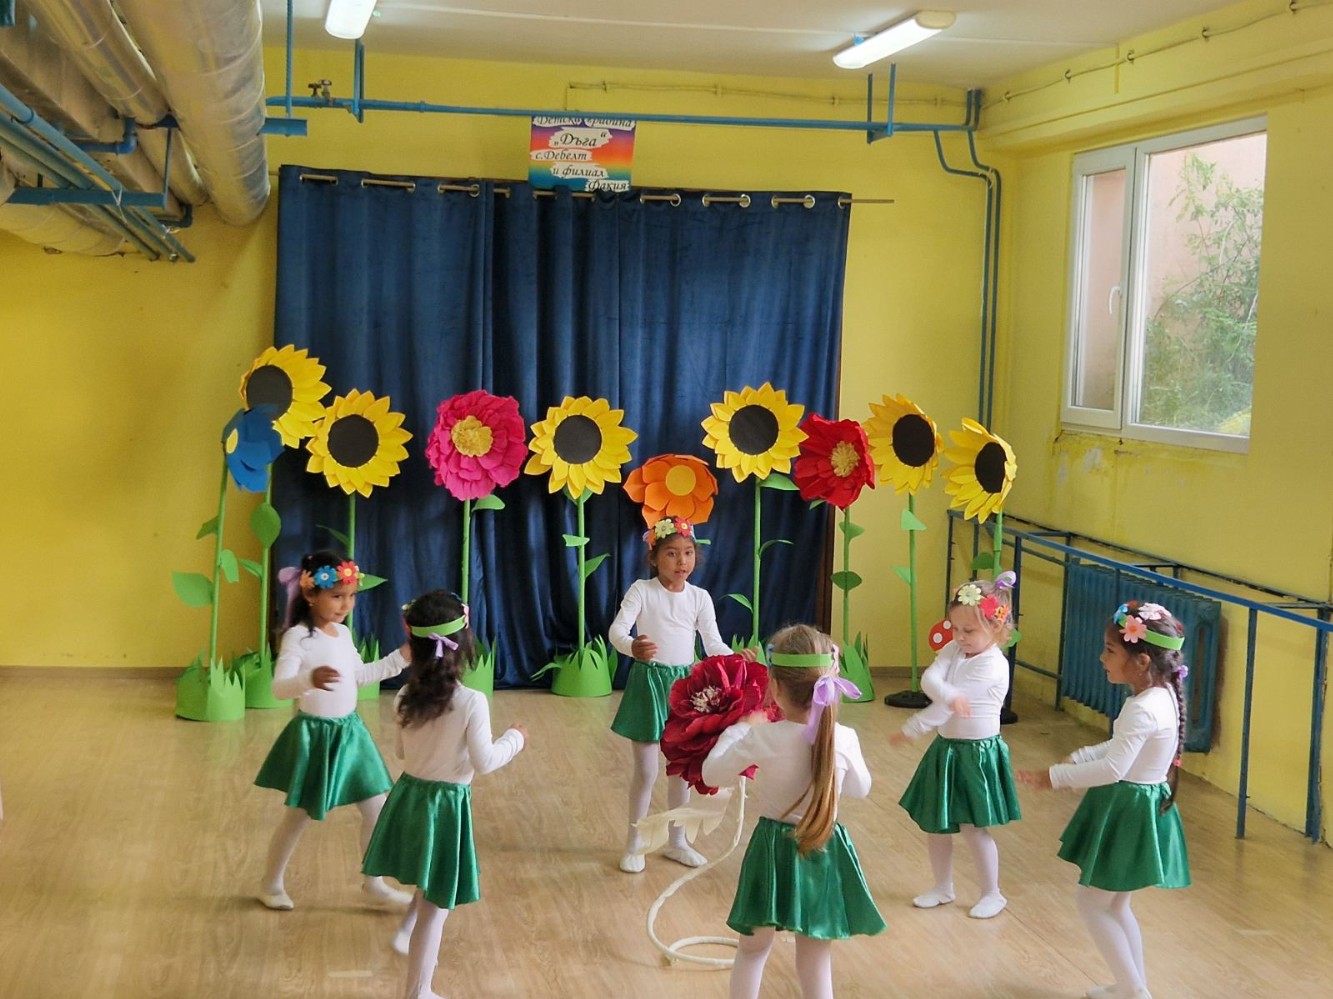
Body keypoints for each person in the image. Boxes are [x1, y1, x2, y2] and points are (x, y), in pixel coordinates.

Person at [1017, 601, 1191, 999]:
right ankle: (1131, 986)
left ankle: (1134, 991)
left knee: (1092, 903)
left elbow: (1114, 768)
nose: (1102, 657)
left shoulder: (1143, 709)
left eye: (1110, 650)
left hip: (1127, 811)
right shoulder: (1160, 696)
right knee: (1115, 906)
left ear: (1142, 661)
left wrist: (1054, 778)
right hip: (1140, 805)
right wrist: (1079, 757)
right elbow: (1120, 749)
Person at [701, 624, 884, 999]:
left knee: (752, 951)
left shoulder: (762, 736)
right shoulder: (844, 737)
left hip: (771, 853)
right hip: (823, 849)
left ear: (776, 687)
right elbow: (860, 789)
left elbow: (711, 773)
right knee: (815, 958)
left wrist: (738, 730)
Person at [362, 590, 526, 999]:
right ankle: (418, 991)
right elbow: (485, 762)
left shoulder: (404, 696)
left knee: (428, 888)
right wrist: (515, 739)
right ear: (464, 643)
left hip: (408, 799)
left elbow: (401, 753)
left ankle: (409, 947)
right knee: (436, 907)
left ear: (413, 645)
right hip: (445, 809)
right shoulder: (472, 701)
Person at [253, 549, 412, 911]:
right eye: (337, 596)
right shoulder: (298, 638)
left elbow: (359, 676)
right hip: (315, 738)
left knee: (377, 807)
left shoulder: (341, 633)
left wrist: (400, 659)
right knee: (298, 816)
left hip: (350, 735)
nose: (346, 605)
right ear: (311, 593)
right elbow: (279, 688)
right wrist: (308, 679)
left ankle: (373, 884)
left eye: (351, 596)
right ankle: (270, 883)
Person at [608, 515, 752, 873]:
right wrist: (631, 646)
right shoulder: (642, 590)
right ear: (654, 558)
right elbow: (617, 631)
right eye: (671, 553)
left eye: (688, 553)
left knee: (681, 772)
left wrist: (734, 657)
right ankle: (634, 843)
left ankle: (677, 841)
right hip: (648, 684)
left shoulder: (700, 597)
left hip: (686, 690)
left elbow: (712, 642)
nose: (681, 561)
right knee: (646, 772)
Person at [888, 573, 1021, 919]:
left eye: (969, 630)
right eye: (955, 628)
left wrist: (914, 727)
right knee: (937, 823)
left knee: (973, 828)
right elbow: (930, 679)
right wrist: (948, 692)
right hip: (947, 749)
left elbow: (944, 708)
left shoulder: (993, 665)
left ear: (996, 627)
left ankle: (992, 893)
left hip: (977, 755)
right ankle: (942, 886)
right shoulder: (954, 649)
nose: (959, 637)